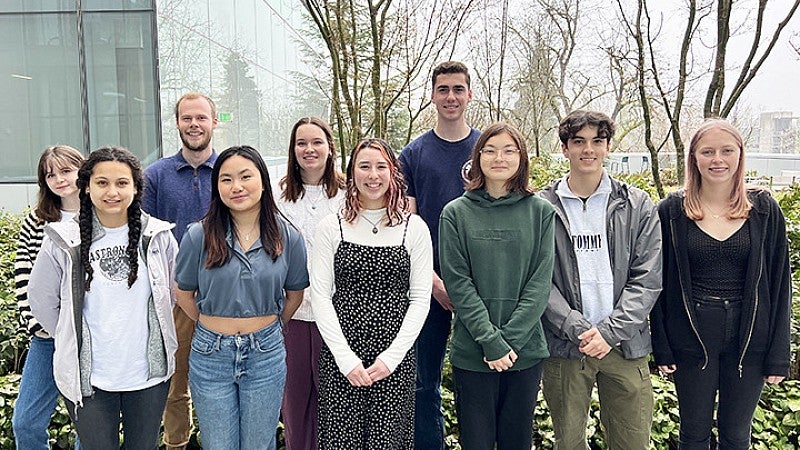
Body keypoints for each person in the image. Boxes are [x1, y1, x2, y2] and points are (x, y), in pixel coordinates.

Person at [651, 119, 791, 449]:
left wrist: (778, 353)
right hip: (691, 335)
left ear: (740, 156)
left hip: (749, 335)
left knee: (737, 435)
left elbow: (780, 282)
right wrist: (662, 346)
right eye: (708, 151)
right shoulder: (671, 212)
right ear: (694, 158)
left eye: (727, 151)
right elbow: (657, 284)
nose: (718, 159)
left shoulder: (764, 210)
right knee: (693, 434)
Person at [28, 146, 179, 450]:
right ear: (85, 187)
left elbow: (172, 296)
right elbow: (42, 300)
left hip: (148, 375)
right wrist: (73, 337)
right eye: (102, 183)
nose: (112, 192)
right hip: (91, 378)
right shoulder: (63, 239)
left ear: (136, 188)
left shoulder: (158, 236)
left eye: (122, 183)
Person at [540, 110, 662, 450]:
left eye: (597, 141)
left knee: (632, 442)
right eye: (578, 141)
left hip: (625, 343)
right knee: (569, 443)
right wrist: (577, 328)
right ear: (564, 149)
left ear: (608, 147)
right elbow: (537, 280)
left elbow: (648, 278)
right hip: (566, 345)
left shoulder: (636, 204)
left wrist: (609, 332)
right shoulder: (540, 207)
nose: (588, 150)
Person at [174, 145, 308, 449]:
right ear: (216, 186)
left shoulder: (289, 237)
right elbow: (183, 292)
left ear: (263, 179)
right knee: (218, 444)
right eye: (226, 179)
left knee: (259, 444)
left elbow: (295, 294)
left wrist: (269, 327)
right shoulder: (198, 235)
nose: (236, 187)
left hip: (265, 353)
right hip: (210, 355)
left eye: (245, 176)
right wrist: (210, 324)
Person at [310, 138, 433, 449]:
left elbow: (420, 299)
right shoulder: (332, 226)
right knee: (340, 440)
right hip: (342, 355)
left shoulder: (414, 228)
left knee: (388, 441)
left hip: (394, 357)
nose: (373, 175)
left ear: (393, 173)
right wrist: (345, 359)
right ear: (352, 174)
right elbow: (321, 296)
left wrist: (391, 358)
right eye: (364, 166)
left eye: (381, 167)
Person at [439, 123, 555, 450]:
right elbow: (458, 283)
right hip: (473, 351)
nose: (499, 158)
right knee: (475, 442)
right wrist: (491, 341)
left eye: (508, 150)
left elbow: (540, 282)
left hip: (525, 352)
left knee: (516, 441)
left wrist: (509, 341)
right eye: (489, 150)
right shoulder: (456, 214)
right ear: (477, 159)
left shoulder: (541, 212)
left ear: (522, 157)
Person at [398, 60, 480, 449]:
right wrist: (431, 282)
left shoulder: (488, 150)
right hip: (426, 288)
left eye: (458, 89)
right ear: (432, 95)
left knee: (477, 382)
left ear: (469, 94)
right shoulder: (413, 155)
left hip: (481, 291)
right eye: (443, 89)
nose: (451, 97)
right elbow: (406, 227)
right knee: (421, 382)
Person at [143, 91, 218, 450]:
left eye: (201, 118)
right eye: (187, 118)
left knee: (221, 381)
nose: (194, 125)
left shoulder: (230, 170)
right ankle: (177, 445)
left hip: (227, 293)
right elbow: (142, 236)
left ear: (214, 122)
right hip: (176, 294)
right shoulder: (156, 175)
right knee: (177, 383)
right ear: (177, 123)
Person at [275, 117, 346, 450]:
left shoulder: (350, 194)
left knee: (335, 406)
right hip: (294, 314)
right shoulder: (278, 195)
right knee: (296, 405)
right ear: (293, 150)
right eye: (301, 143)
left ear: (330, 147)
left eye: (316, 142)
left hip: (339, 316)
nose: (309, 150)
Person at [12, 145, 84, 450]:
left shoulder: (103, 215)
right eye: (50, 174)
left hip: (88, 337)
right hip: (47, 337)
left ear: (83, 170)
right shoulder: (37, 220)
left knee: (89, 427)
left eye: (66, 171)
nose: (59, 179)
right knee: (26, 422)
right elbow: (23, 276)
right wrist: (39, 324)